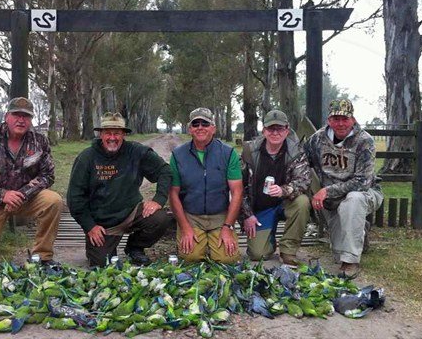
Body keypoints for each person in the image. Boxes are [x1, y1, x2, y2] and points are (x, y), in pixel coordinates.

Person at [0, 97, 63, 263]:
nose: (21, 120)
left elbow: (48, 175)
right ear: (7, 116)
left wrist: (22, 195)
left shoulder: (39, 141)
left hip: (25, 199)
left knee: (54, 201)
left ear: (31, 120)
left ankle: (43, 256)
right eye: (16, 115)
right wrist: (2, 195)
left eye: (26, 116)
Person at [67, 112, 172, 267]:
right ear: (100, 134)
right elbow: (74, 198)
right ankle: (106, 248)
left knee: (160, 218)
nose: (112, 138)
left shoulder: (136, 152)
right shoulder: (87, 157)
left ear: (123, 135)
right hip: (102, 223)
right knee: (102, 264)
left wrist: (159, 199)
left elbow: (165, 171)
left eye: (117, 133)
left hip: (131, 212)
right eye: (108, 133)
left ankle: (134, 248)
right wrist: (89, 226)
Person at [304, 99, 383, 274]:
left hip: (364, 193)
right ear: (329, 121)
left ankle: (351, 262)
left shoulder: (364, 141)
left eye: (345, 119)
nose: (340, 123)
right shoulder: (316, 140)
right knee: (337, 253)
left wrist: (326, 191)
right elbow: (301, 164)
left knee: (353, 201)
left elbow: (362, 181)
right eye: (336, 119)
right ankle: (359, 230)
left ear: (352, 119)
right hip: (332, 200)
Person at [169, 107, 243, 263]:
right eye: (196, 124)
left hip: (220, 216)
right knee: (191, 257)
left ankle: (215, 243)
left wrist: (227, 226)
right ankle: (199, 244)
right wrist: (185, 227)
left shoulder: (229, 153)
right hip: (191, 217)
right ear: (190, 129)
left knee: (227, 259)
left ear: (213, 128)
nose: (200, 127)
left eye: (205, 123)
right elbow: (173, 193)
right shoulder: (178, 155)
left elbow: (237, 192)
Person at [240, 110, 311, 266]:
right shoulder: (249, 151)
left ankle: (288, 250)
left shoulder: (296, 152)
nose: (275, 133)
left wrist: (283, 190)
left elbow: (303, 181)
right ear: (264, 131)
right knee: (257, 254)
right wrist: (247, 215)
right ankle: (269, 241)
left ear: (287, 130)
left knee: (303, 202)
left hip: (285, 203)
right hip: (260, 208)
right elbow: (239, 187)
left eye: (279, 129)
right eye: (271, 129)